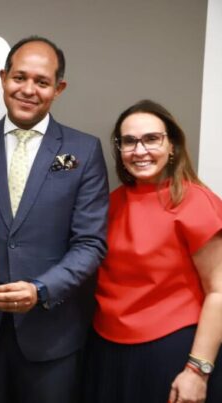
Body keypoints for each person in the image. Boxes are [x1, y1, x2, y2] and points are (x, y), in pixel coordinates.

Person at [0, 35, 109, 403]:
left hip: (51, 336)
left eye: (42, 81)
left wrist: (41, 289)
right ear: (3, 78)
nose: (28, 90)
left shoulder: (83, 150)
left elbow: (90, 243)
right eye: (19, 77)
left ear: (58, 88)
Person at [84, 99, 222, 403]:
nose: (140, 150)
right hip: (107, 350)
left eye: (151, 139)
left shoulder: (196, 202)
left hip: (173, 353)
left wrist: (197, 371)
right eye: (129, 141)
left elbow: (219, 291)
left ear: (172, 146)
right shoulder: (109, 203)